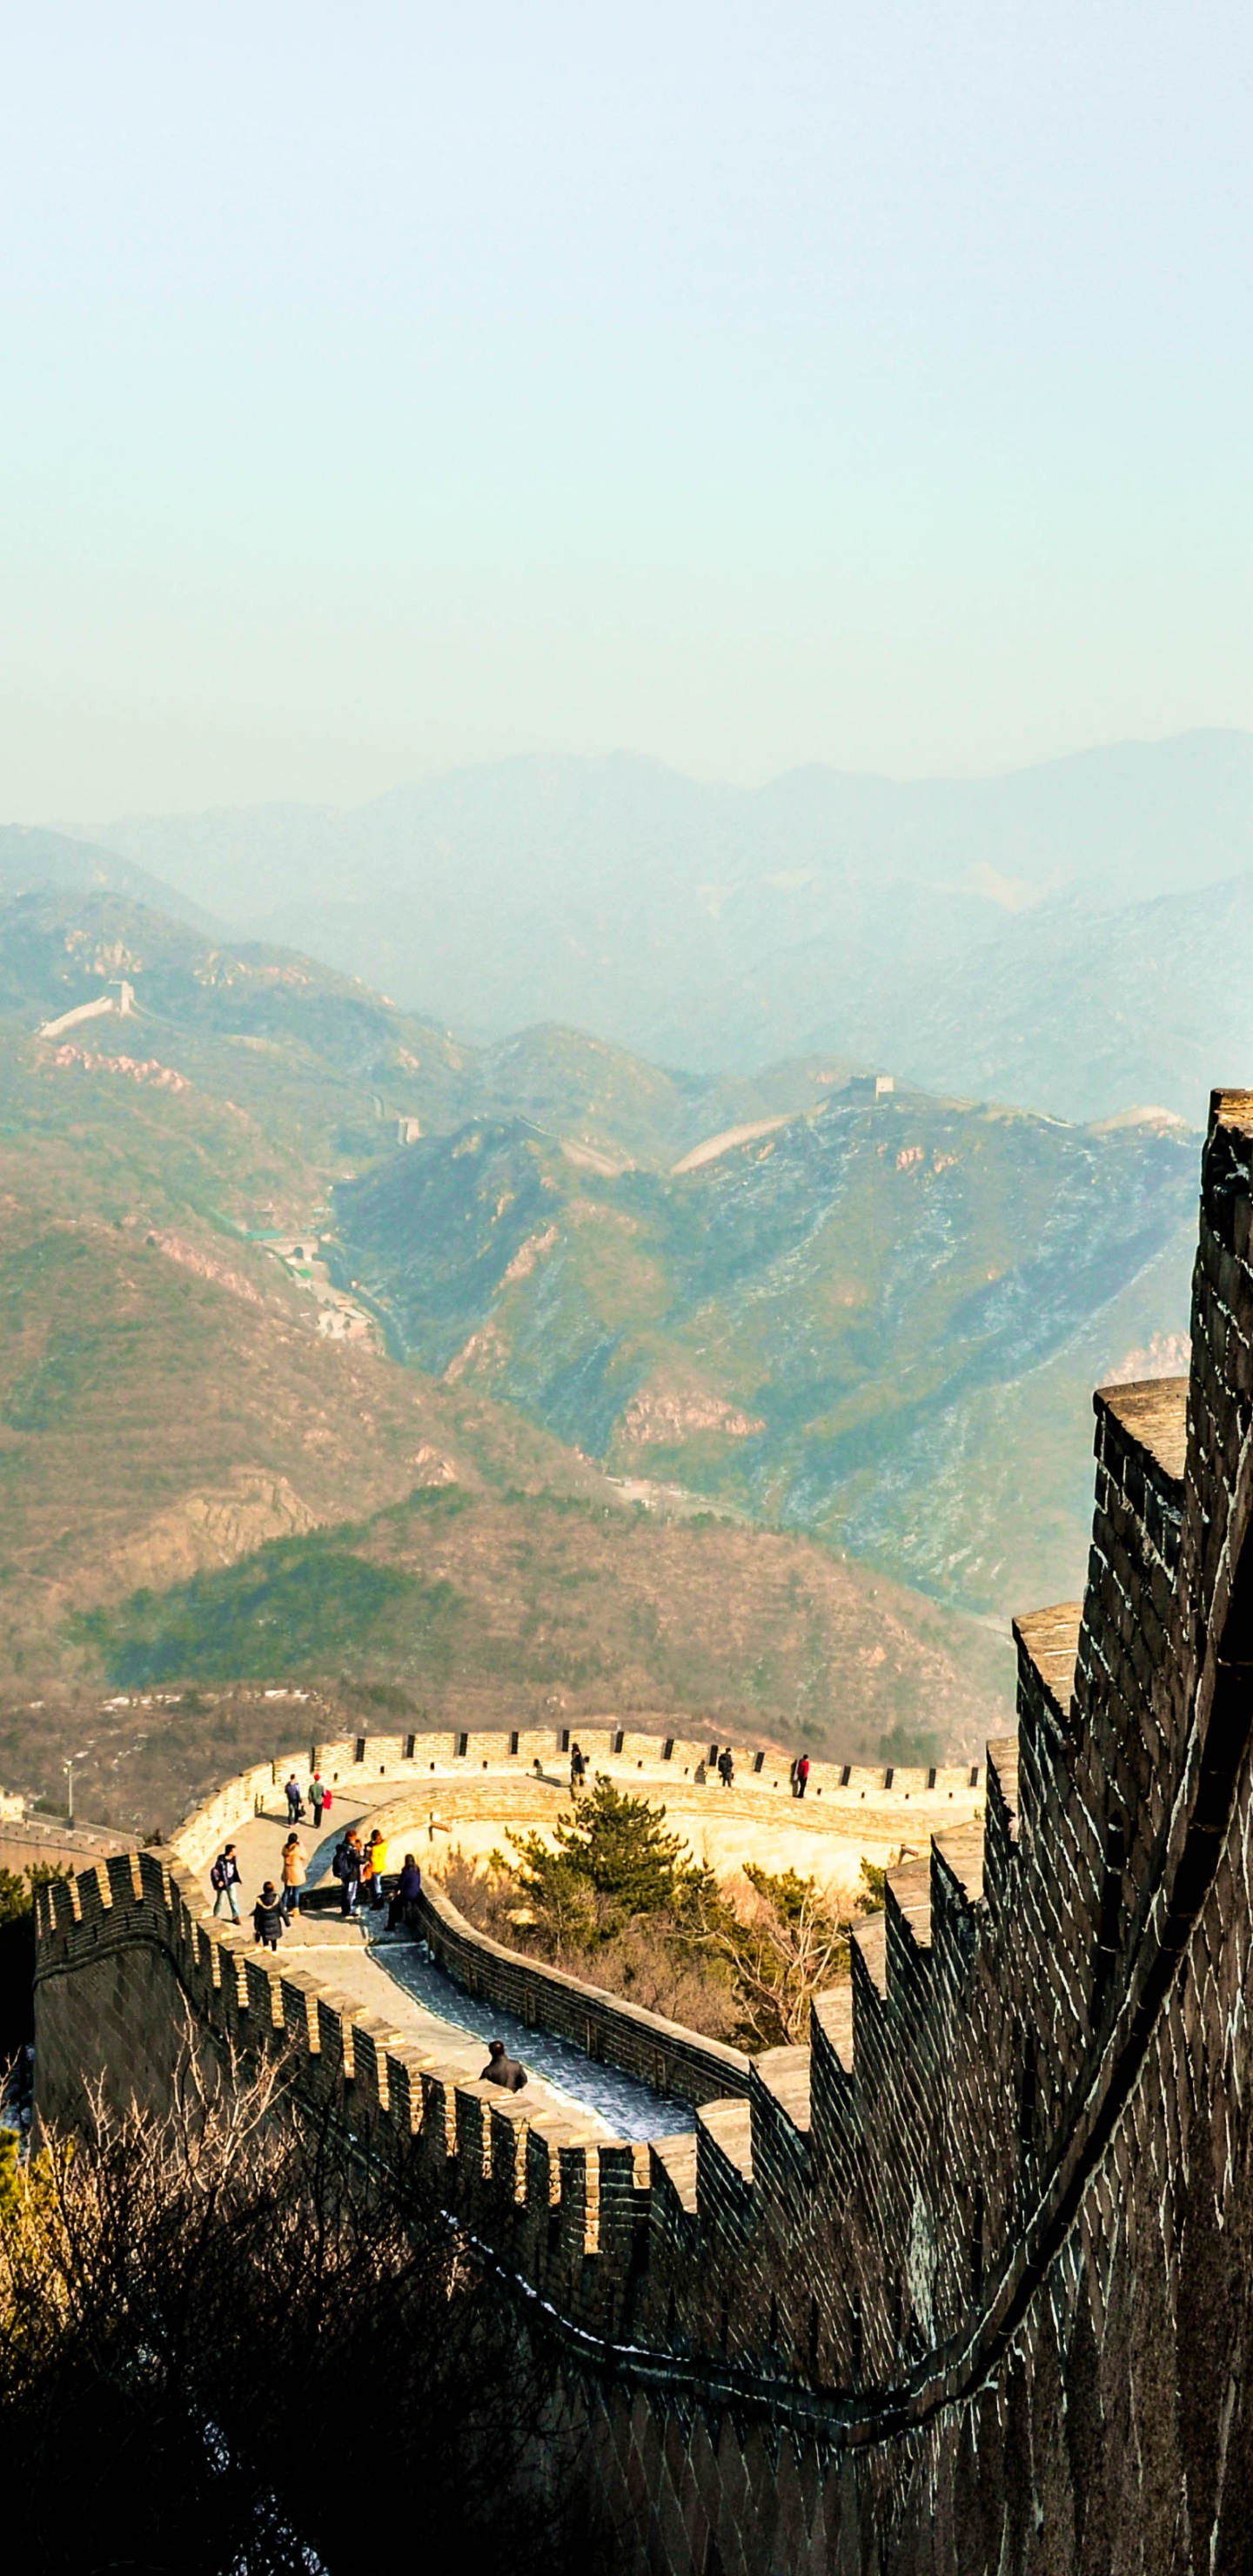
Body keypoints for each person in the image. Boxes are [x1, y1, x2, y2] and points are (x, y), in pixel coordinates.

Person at [387, 1853, 422, 1932]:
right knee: (400, 1902)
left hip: (408, 1895)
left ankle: (391, 1925)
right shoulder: (417, 1870)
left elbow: (401, 1884)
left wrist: (394, 1892)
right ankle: (401, 1919)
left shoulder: (406, 1871)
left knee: (393, 1904)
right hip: (417, 1894)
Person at [333, 1828, 363, 1917]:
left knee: (345, 1891)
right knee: (350, 1893)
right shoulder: (351, 1849)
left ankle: (345, 1909)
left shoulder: (342, 1846)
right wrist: (367, 1854)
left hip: (344, 1873)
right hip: (351, 1874)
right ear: (351, 1838)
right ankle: (348, 1910)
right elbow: (360, 1860)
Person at [211, 1843, 241, 1921]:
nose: (236, 1852)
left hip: (230, 1882)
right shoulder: (221, 1860)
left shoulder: (233, 1858)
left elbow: (234, 1869)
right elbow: (216, 1871)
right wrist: (219, 1881)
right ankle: (215, 1915)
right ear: (230, 1852)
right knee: (220, 1901)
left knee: (233, 1900)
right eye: (234, 1851)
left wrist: (237, 1878)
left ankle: (236, 1916)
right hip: (222, 1884)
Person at [252, 1881, 285, 1951]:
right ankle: (274, 1950)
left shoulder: (260, 1900)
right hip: (275, 1924)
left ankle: (266, 1951)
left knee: (265, 1939)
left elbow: (257, 1914)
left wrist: (256, 1925)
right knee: (274, 1940)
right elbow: (282, 1911)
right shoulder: (277, 1898)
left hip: (263, 1925)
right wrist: (287, 1921)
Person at [280, 1833, 306, 1919]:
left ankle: (283, 1907)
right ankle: (295, 1909)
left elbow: (283, 1853)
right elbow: (305, 1856)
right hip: (296, 1873)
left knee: (286, 1891)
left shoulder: (285, 1848)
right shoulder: (297, 1849)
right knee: (296, 1892)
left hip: (287, 1872)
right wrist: (302, 1846)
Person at [365, 1828, 387, 1909]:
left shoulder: (375, 1848)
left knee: (377, 1886)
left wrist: (369, 1851)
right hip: (381, 1865)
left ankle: (379, 1903)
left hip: (375, 1867)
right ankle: (379, 1902)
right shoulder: (385, 1844)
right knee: (378, 1884)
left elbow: (373, 1859)